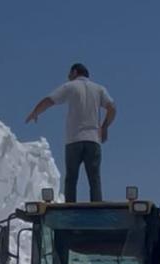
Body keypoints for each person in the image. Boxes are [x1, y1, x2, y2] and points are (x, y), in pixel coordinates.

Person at [25, 63, 116, 202]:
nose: (68, 76)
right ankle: (97, 207)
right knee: (94, 179)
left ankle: (70, 208)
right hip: (93, 140)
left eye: (69, 73)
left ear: (74, 72)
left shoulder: (70, 86)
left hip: (74, 139)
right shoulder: (99, 89)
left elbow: (50, 100)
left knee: (71, 178)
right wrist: (104, 127)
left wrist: (36, 112)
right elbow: (112, 108)